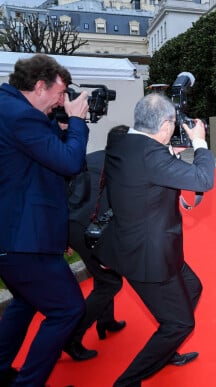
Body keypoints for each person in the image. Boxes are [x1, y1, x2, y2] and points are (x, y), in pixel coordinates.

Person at [96, 93, 215, 386]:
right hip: (149, 255)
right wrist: (199, 141)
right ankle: (127, 382)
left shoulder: (123, 142)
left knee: (192, 286)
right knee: (180, 323)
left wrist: (170, 156)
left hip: (137, 242)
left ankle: (166, 349)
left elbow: (146, 173)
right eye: (173, 125)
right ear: (164, 125)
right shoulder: (150, 155)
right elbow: (203, 180)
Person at [0, 54, 89, 386]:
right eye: (60, 92)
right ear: (40, 86)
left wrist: (61, 126)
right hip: (22, 240)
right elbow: (68, 163)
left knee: (25, 302)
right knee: (67, 309)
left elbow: (37, 159)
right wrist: (77, 122)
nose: (62, 100)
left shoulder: (12, 110)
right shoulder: (19, 116)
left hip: (19, 236)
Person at [63, 125, 129, 362]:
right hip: (90, 230)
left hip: (72, 227)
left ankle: (106, 321)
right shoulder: (122, 166)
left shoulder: (90, 158)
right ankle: (71, 338)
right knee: (110, 282)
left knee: (106, 275)